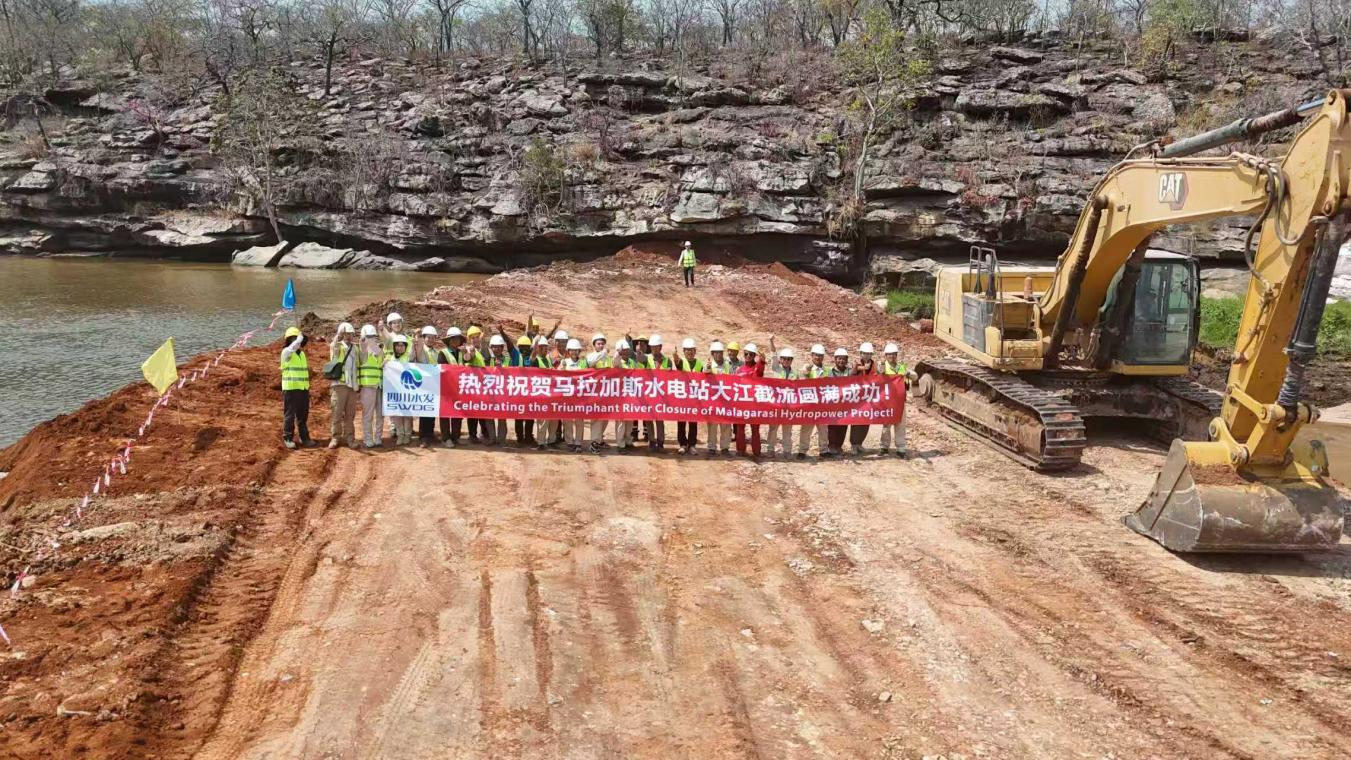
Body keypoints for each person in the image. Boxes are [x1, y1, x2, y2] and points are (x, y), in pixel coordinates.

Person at [280, 326, 314, 450]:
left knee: (303, 416)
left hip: (303, 389)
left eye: (298, 339)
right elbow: (291, 349)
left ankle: (304, 438)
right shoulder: (286, 352)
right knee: (289, 415)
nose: (297, 341)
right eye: (294, 339)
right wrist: (298, 340)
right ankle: (288, 438)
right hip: (291, 389)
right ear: (289, 340)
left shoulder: (302, 354)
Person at [879, 342, 915, 458]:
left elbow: (915, 376)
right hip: (887, 401)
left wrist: (908, 373)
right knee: (886, 424)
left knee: (900, 425)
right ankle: (884, 446)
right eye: (889, 354)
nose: (891, 356)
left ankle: (901, 448)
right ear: (886, 355)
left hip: (900, 401)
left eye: (893, 354)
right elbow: (879, 373)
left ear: (896, 355)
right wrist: (882, 367)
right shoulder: (883, 366)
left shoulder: (901, 367)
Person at [328, 322, 359, 449]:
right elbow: (334, 348)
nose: (348, 336)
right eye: (346, 333)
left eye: (350, 334)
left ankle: (350, 438)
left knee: (350, 415)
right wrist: (338, 336)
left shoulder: (355, 348)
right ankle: (335, 437)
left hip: (352, 386)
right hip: (340, 384)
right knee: (337, 412)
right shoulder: (337, 346)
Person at [797, 343, 829, 459]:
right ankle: (802, 450)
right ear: (812, 355)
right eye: (816, 355)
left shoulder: (827, 370)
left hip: (822, 404)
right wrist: (806, 375)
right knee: (806, 428)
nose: (818, 357)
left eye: (820, 355)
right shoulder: (807, 368)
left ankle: (824, 450)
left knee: (823, 429)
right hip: (810, 405)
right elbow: (801, 384)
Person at [734, 341, 765, 457]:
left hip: (755, 404)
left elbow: (760, 370)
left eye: (751, 354)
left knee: (755, 428)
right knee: (740, 427)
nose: (748, 356)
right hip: (742, 402)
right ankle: (740, 450)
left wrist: (762, 361)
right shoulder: (739, 370)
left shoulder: (757, 368)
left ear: (754, 356)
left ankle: (756, 451)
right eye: (746, 354)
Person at [356, 324, 385, 448]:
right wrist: (364, 342)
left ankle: (378, 438)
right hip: (368, 387)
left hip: (380, 386)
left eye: (373, 336)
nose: (372, 338)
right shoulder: (363, 350)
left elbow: (382, 362)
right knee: (368, 415)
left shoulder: (379, 350)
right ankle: (368, 439)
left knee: (380, 414)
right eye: (369, 336)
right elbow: (363, 350)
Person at [765, 343, 795, 457]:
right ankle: (770, 449)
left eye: (789, 359)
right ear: (781, 360)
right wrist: (771, 342)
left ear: (791, 360)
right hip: (776, 405)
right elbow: (773, 355)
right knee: (773, 428)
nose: (786, 361)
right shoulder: (776, 369)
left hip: (789, 406)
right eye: (784, 359)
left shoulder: (795, 373)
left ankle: (787, 451)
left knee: (787, 429)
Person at [482, 333, 512, 445]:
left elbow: (512, 374)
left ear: (502, 348)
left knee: (502, 417)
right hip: (489, 392)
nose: (497, 349)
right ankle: (492, 438)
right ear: (491, 347)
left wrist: (501, 368)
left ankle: (501, 439)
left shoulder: (507, 360)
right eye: (495, 347)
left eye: (499, 347)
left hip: (502, 392)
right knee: (489, 416)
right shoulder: (487, 359)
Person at [386, 334, 416, 446]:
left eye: (402, 345)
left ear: (405, 346)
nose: (400, 347)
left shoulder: (408, 357)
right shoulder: (390, 358)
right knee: (397, 414)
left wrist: (414, 342)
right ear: (394, 346)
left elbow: (413, 354)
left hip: (407, 390)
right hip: (394, 390)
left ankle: (407, 435)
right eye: (397, 345)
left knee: (407, 414)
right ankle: (400, 435)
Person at [415, 325, 442, 448]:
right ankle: (423, 437)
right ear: (424, 338)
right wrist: (418, 337)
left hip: (434, 384)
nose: (430, 340)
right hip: (423, 383)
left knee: (432, 409)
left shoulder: (436, 352)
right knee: (424, 410)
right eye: (428, 337)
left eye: (433, 337)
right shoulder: (421, 349)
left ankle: (430, 433)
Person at [675, 338, 703, 454]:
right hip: (682, 397)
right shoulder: (681, 362)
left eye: (692, 350)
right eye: (687, 350)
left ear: (695, 351)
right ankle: (682, 444)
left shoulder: (700, 363)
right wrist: (676, 360)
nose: (690, 352)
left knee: (693, 423)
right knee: (681, 422)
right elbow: (678, 365)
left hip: (694, 398)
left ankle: (692, 445)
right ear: (684, 351)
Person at [532, 335, 560, 450]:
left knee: (554, 420)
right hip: (541, 394)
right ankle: (541, 442)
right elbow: (532, 358)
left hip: (551, 394)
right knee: (542, 421)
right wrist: (535, 344)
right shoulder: (536, 360)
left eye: (545, 347)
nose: (544, 349)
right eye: (542, 347)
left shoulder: (548, 359)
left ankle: (551, 440)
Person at [646, 335, 673, 451]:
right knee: (648, 418)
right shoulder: (646, 359)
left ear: (660, 347)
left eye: (656, 347)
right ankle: (651, 441)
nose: (654, 349)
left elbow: (671, 378)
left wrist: (668, 372)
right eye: (652, 347)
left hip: (661, 395)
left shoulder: (667, 361)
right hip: (648, 393)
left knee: (659, 419)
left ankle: (660, 442)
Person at [438, 326, 465, 447]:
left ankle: (455, 436)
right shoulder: (442, 353)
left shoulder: (462, 353)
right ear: (448, 340)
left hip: (459, 388)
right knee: (445, 413)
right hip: (446, 388)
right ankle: (446, 438)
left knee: (457, 412)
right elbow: (442, 368)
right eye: (453, 339)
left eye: (457, 339)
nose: (455, 341)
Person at [705, 341, 733, 455]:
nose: (718, 354)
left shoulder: (728, 365)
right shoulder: (708, 365)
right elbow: (703, 380)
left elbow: (733, 380)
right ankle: (711, 447)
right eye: (715, 352)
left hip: (725, 400)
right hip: (713, 400)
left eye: (720, 352)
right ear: (712, 354)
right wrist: (707, 371)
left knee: (726, 425)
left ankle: (725, 447)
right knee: (712, 425)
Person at [849, 342, 877, 455]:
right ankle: (853, 444)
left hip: (869, 397)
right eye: (864, 353)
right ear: (861, 353)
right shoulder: (856, 363)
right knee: (856, 421)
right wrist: (861, 368)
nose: (866, 356)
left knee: (866, 421)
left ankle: (860, 444)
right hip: (858, 397)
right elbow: (852, 373)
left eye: (869, 354)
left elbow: (878, 376)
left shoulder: (874, 364)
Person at [613, 339, 641, 452]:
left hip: (631, 395)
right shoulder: (617, 362)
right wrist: (618, 353)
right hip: (620, 396)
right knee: (621, 422)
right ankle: (620, 444)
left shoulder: (632, 362)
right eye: (623, 350)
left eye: (627, 350)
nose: (625, 352)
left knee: (630, 419)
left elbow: (640, 372)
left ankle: (628, 441)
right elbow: (616, 362)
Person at [824, 347, 851, 457]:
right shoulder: (829, 372)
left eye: (843, 359)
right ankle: (831, 445)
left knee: (843, 425)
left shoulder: (850, 372)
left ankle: (839, 446)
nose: (841, 361)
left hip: (845, 403)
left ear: (846, 360)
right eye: (839, 358)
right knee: (832, 426)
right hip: (833, 403)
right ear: (835, 359)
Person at [587, 333, 611, 452]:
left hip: (606, 391)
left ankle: (599, 439)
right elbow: (591, 363)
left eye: (602, 344)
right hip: (595, 392)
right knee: (596, 418)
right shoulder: (591, 356)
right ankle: (594, 442)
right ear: (594, 345)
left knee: (605, 417)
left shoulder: (607, 358)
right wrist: (603, 353)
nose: (601, 346)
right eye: (598, 343)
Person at [562, 338, 587, 452]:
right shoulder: (564, 362)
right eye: (572, 350)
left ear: (579, 351)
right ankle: (569, 442)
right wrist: (562, 368)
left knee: (579, 420)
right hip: (567, 396)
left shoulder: (583, 363)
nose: (574, 352)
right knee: (567, 420)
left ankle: (578, 442)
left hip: (579, 396)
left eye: (576, 350)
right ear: (568, 351)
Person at [512, 334, 536, 446]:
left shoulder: (531, 359)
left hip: (530, 393)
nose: (524, 349)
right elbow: (509, 345)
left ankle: (528, 437)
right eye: (522, 347)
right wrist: (502, 331)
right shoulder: (516, 357)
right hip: (518, 392)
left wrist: (536, 342)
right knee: (519, 417)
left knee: (530, 416)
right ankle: (520, 438)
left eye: (526, 347)